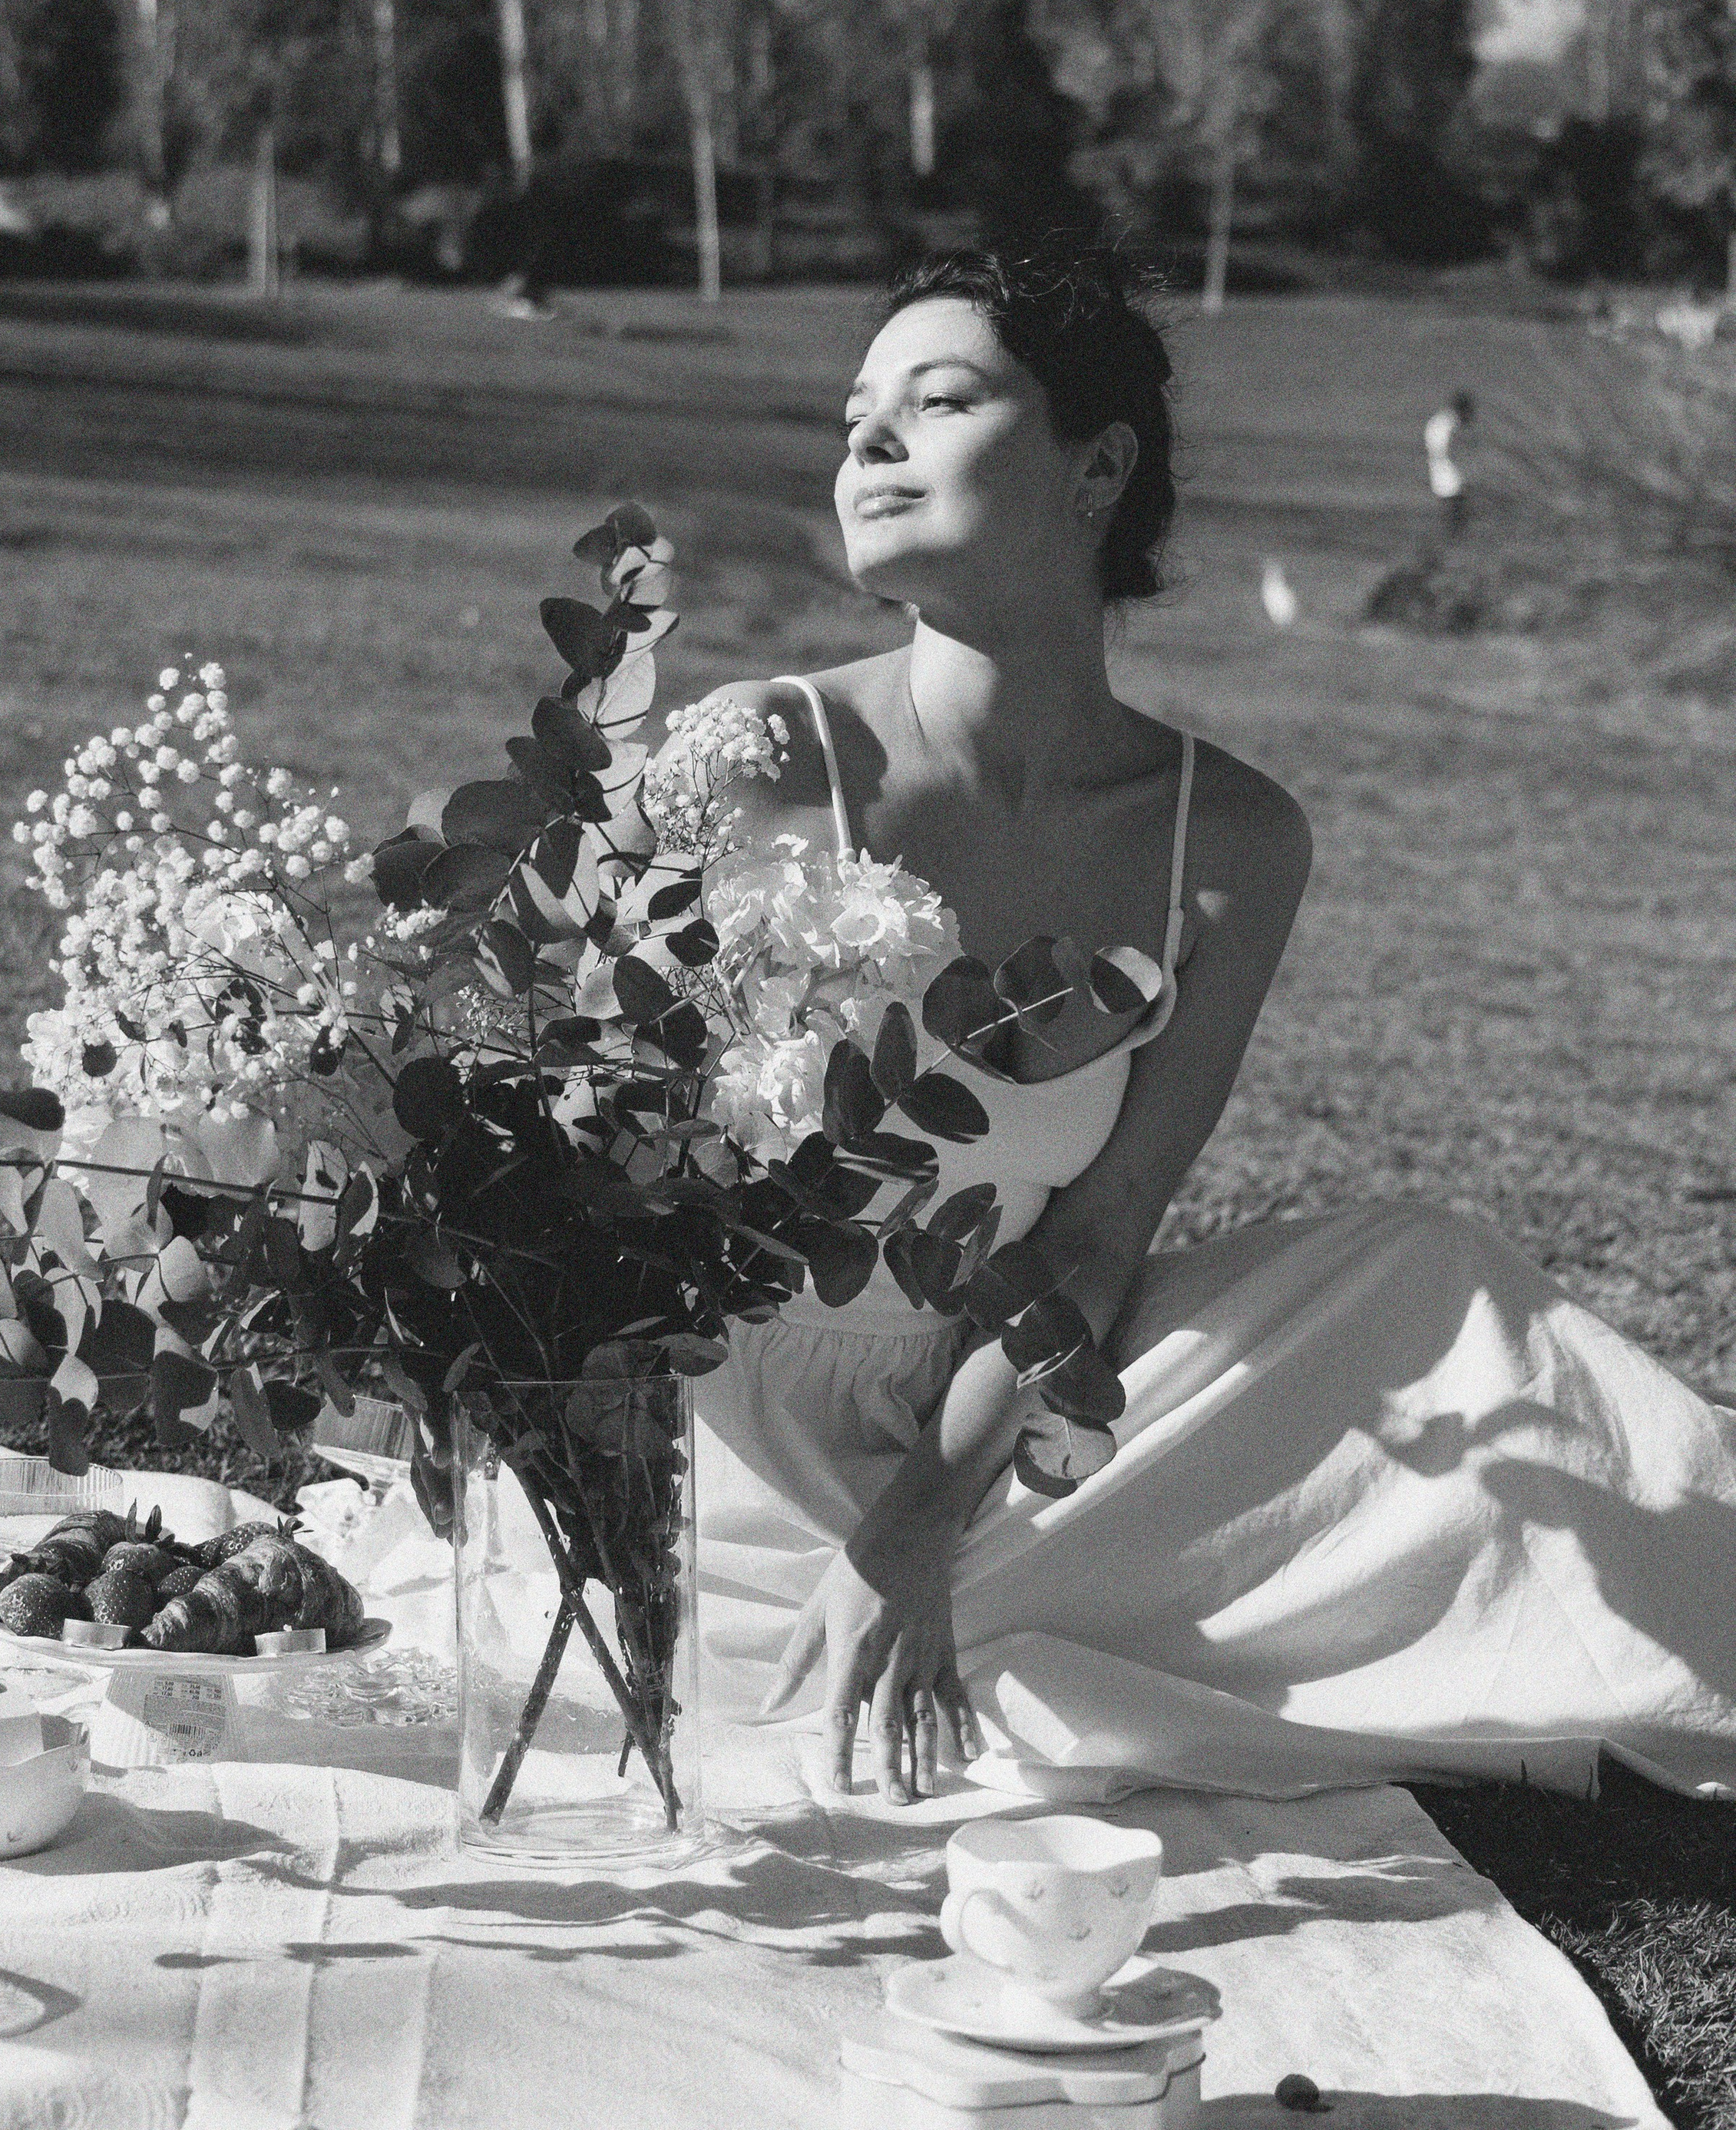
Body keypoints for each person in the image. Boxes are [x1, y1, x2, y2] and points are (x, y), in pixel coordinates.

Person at [680, 241, 1736, 1814]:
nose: (867, 446)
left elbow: (1099, 1235)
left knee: (1425, 1283)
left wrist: (914, 1523)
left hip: (997, 1423)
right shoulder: (755, 755)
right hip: (717, 1420)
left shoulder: (1226, 839)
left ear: (1096, 462)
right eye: (853, 419)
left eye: (939, 398)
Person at [1424, 388, 1474, 537]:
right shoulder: (1451, 426)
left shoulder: (1438, 421)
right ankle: (1454, 539)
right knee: (1457, 514)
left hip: (1439, 477)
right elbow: (1453, 452)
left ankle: (1449, 537)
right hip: (1450, 478)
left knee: (1450, 514)